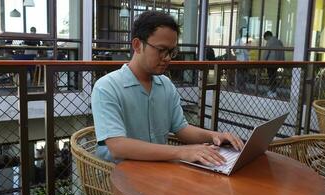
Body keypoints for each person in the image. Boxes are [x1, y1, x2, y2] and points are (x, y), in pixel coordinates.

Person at [91, 11, 244, 167]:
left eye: (171, 51)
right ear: (137, 45)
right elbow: (118, 146)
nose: (168, 58)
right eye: (161, 50)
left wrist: (216, 136)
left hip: (160, 170)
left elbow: (181, 128)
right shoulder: (107, 87)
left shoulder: (165, 85)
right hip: (118, 177)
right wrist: (183, 152)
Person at [263, 31, 285, 98]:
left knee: (271, 77)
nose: (266, 40)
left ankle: (272, 91)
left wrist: (262, 62)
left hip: (270, 62)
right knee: (274, 77)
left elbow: (266, 53)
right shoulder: (279, 42)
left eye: (266, 39)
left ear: (267, 36)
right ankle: (274, 91)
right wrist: (282, 61)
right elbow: (282, 52)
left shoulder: (270, 42)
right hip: (277, 62)